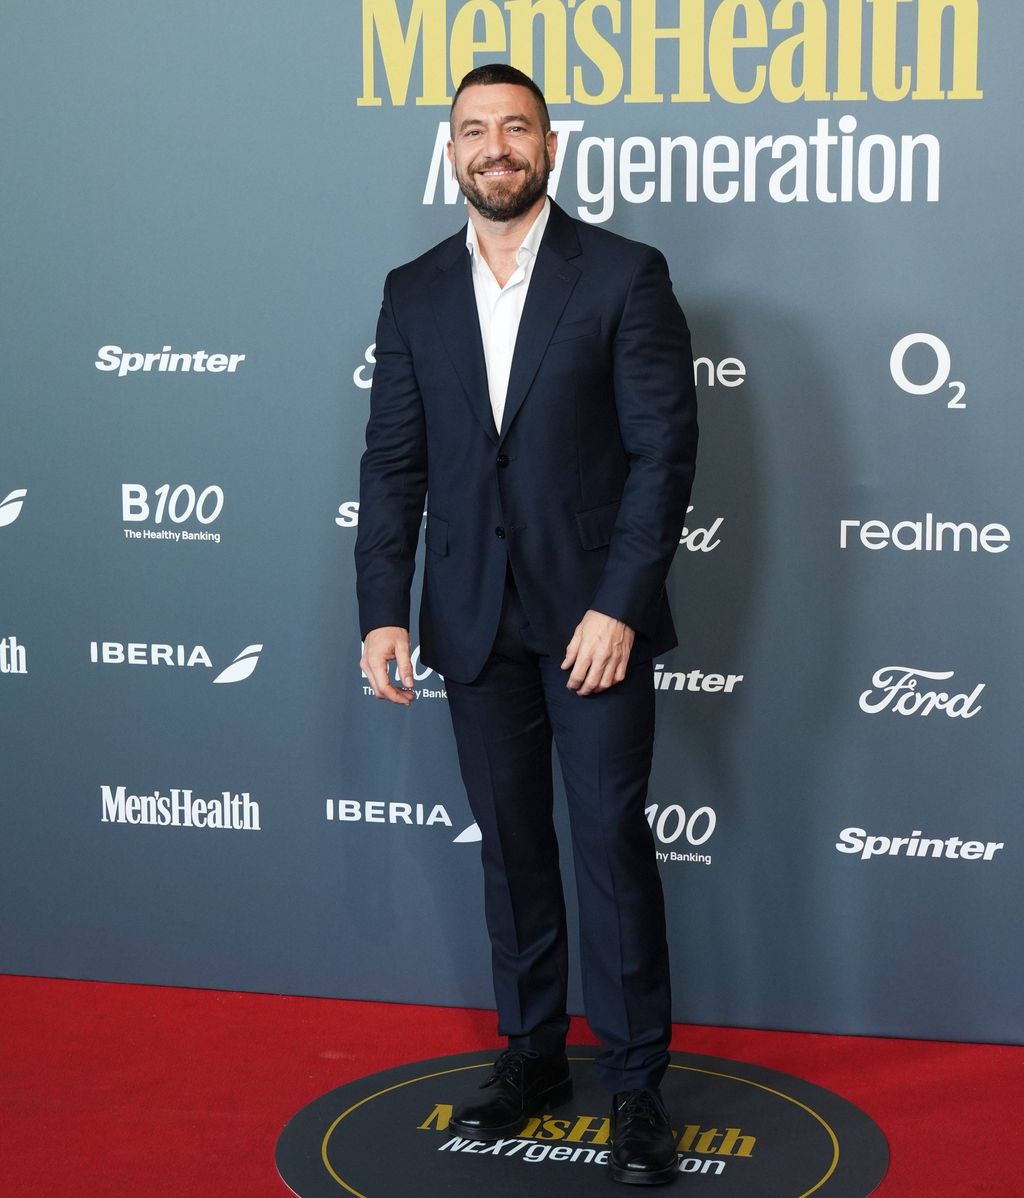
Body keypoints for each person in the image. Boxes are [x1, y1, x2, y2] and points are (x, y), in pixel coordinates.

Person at [355, 63, 698, 1186]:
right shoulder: (412, 290)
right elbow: (394, 463)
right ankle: (534, 1052)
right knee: (509, 850)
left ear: (549, 146)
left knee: (607, 846)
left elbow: (662, 455)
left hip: (592, 622)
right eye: (473, 130)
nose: (494, 146)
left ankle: (637, 1082)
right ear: (450, 151)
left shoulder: (623, 274)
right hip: (468, 620)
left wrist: (620, 602)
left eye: (515, 127)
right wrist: (381, 613)